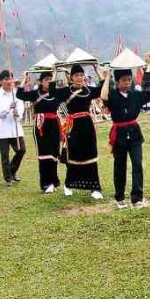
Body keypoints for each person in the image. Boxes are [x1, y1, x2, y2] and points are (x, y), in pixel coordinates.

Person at [100, 65, 150, 208]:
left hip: (135, 133)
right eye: (124, 80)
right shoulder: (112, 94)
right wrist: (107, 77)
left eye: (129, 80)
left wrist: (148, 67)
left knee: (137, 164)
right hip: (119, 134)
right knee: (120, 166)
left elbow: (149, 93)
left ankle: (137, 198)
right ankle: (120, 197)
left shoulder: (135, 94)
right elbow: (103, 97)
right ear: (117, 82)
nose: (127, 82)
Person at [54, 64, 104, 199]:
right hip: (73, 126)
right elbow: (52, 92)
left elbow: (102, 87)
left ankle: (94, 188)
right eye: (76, 75)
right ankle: (68, 185)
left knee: (90, 154)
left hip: (87, 125)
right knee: (74, 155)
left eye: (81, 75)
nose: (79, 78)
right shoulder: (66, 91)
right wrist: (54, 72)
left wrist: (96, 70)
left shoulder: (88, 90)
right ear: (71, 78)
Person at [18, 70, 62, 193]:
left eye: (50, 79)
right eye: (46, 79)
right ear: (41, 82)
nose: (48, 81)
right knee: (44, 154)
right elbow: (19, 94)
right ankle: (46, 183)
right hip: (40, 125)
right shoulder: (34, 93)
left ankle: (53, 181)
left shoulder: (56, 93)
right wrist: (24, 78)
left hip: (54, 124)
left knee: (54, 154)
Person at [0, 70, 27, 187]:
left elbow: (21, 111)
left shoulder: (17, 94)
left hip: (15, 128)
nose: (9, 82)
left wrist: (18, 114)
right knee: (5, 155)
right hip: (2, 130)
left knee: (21, 150)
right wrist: (8, 108)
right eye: (6, 79)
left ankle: (12, 171)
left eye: (10, 79)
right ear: (1, 81)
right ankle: (8, 178)